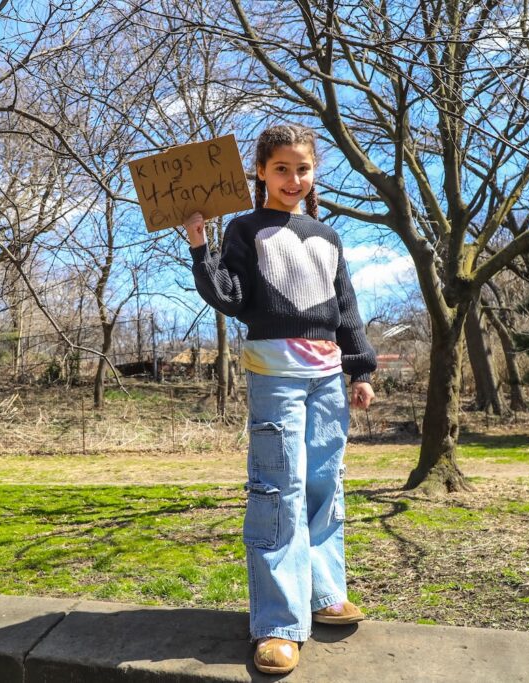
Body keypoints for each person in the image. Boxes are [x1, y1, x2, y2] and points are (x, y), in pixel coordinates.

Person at [184, 123, 376, 675]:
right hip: (276, 374)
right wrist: (201, 247)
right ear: (262, 173)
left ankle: (324, 594)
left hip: (328, 377)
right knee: (278, 489)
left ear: (314, 173)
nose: (293, 179)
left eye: (303, 168)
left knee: (324, 483)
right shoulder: (245, 229)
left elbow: (346, 310)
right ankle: (277, 623)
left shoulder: (327, 237)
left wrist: (360, 369)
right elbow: (231, 297)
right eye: (281, 169)